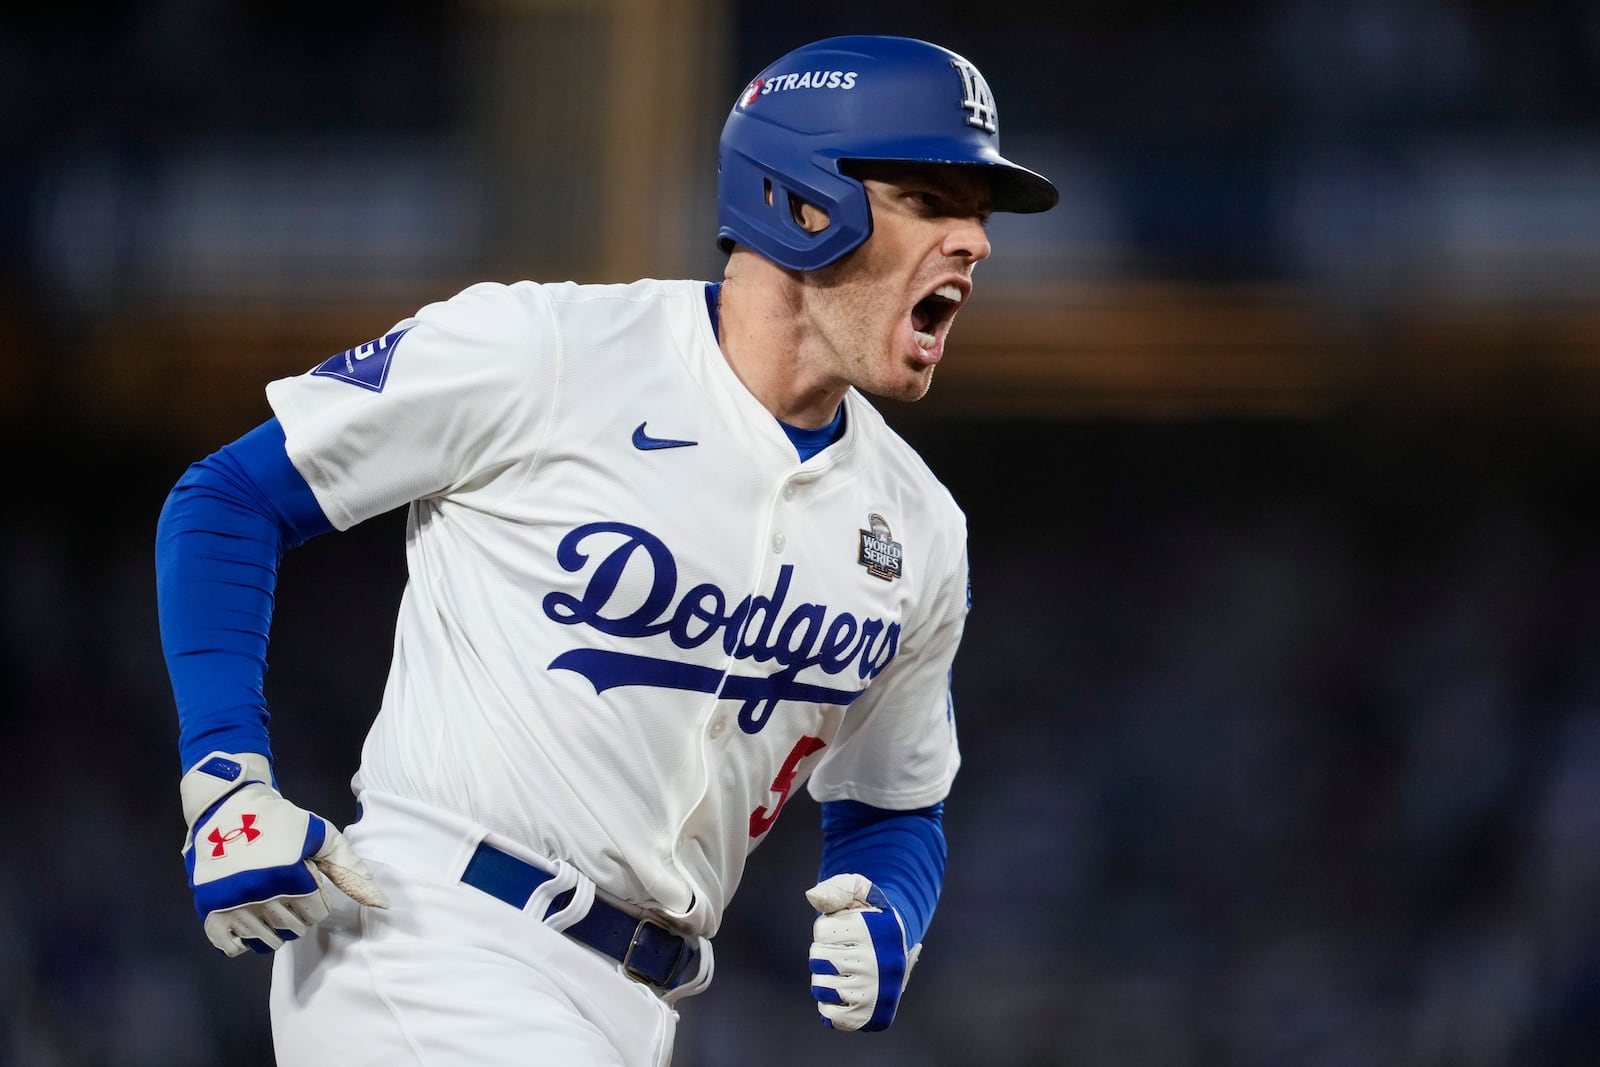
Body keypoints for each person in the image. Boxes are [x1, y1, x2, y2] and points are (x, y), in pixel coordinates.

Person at [155, 33, 1057, 1066]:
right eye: (933, 199)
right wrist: (226, 778)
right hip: (428, 937)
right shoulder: (548, 351)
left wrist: (894, 906)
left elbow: (894, 802)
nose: (975, 240)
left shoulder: (919, 526)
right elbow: (226, 497)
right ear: (803, 203)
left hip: (637, 1005)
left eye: (979, 213)